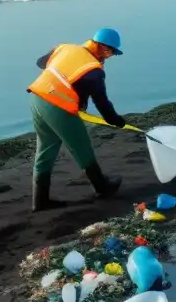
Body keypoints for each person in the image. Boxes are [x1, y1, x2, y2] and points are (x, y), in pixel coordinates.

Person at [27, 28, 125, 212]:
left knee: (46, 148)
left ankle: (40, 201)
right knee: (82, 147)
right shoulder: (93, 70)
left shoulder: (65, 48)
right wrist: (115, 120)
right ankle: (103, 187)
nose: (110, 56)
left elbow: (41, 63)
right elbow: (101, 102)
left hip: (37, 98)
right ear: (103, 47)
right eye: (111, 52)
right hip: (58, 106)